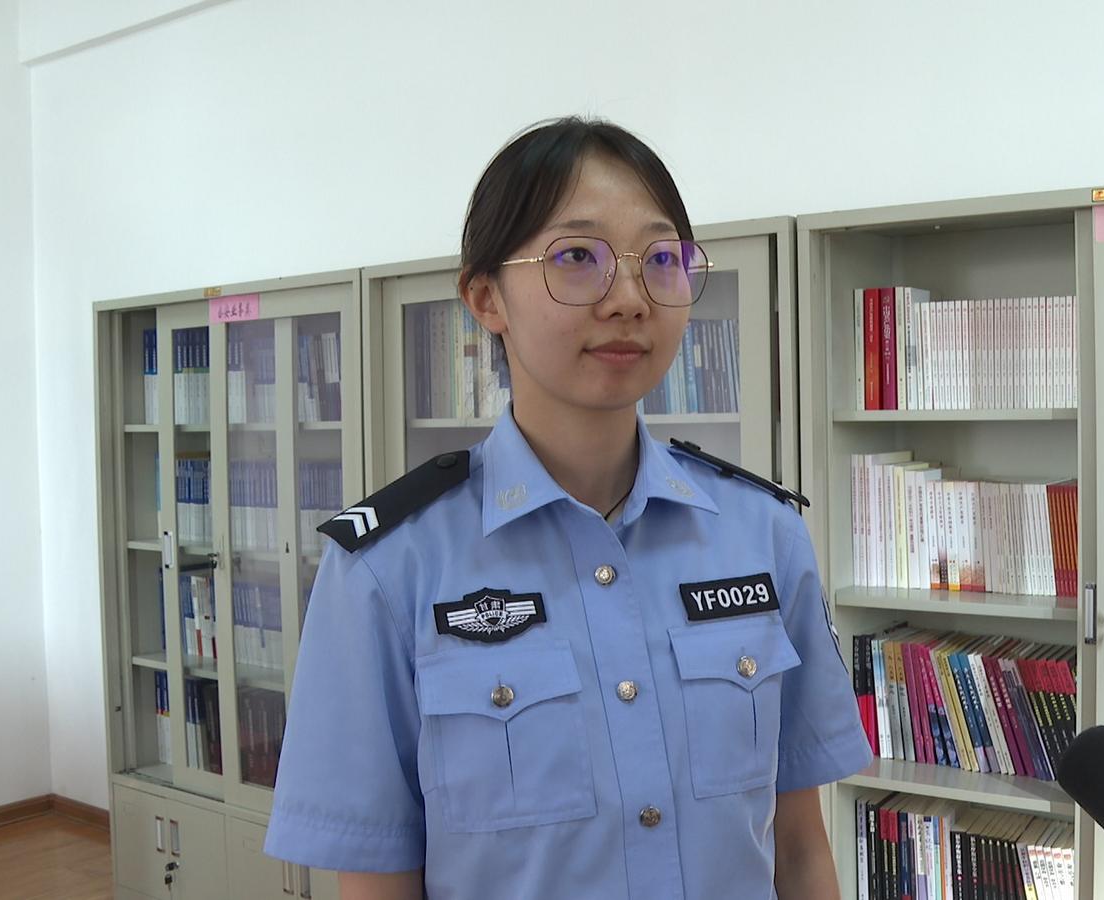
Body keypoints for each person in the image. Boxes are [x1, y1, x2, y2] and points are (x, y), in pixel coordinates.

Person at [262, 117, 872, 900]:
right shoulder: (386, 572)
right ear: (486, 297)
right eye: (577, 258)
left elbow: (800, 848)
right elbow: (379, 883)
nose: (629, 300)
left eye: (660, 261)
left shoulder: (764, 536)